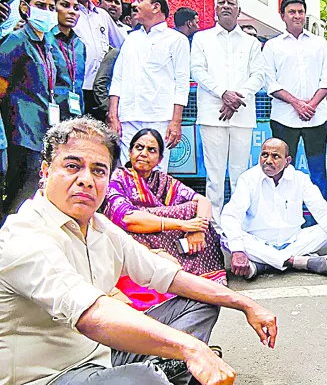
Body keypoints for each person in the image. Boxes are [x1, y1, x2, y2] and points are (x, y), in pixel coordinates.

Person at [0, 117, 277, 385]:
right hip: (53, 375)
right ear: (46, 171)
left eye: (98, 170)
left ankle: (162, 370)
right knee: (142, 379)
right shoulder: (25, 236)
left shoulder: (98, 226)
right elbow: (91, 315)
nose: (86, 180)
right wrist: (189, 347)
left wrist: (245, 304)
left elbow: (167, 275)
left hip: (102, 353)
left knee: (201, 298)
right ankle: (162, 371)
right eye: (73, 166)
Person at [103, 128, 227, 307]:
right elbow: (128, 218)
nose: (143, 154)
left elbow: (204, 201)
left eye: (151, 150)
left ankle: (195, 276)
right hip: (129, 242)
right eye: (139, 147)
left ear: (160, 159)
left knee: (196, 210)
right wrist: (183, 225)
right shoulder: (117, 179)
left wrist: (197, 231)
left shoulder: (162, 180)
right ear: (130, 152)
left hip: (163, 241)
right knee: (185, 211)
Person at [221, 137, 327, 279]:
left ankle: (262, 265)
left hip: (294, 242)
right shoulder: (248, 179)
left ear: (287, 161)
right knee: (227, 237)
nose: (268, 160)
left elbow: (323, 212)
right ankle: (297, 261)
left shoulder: (300, 179)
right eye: (265, 155)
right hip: (257, 242)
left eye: (275, 156)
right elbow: (231, 216)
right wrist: (238, 251)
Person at [191, 0, 264, 228]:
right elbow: (197, 70)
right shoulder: (202, 39)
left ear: (239, 10)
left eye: (230, 2)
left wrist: (236, 98)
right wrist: (223, 93)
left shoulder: (252, 43)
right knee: (214, 174)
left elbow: (258, 75)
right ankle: (215, 226)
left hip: (241, 115)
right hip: (212, 114)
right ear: (215, 9)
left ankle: (239, 223)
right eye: (221, 2)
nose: (225, 6)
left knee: (240, 173)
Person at [262, 0, 327, 200]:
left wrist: (310, 105)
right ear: (282, 16)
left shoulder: (320, 44)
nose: (297, 16)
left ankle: (320, 221)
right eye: (291, 12)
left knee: (318, 170)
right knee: (282, 170)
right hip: (284, 118)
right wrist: (296, 103)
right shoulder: (272, 46)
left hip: (317, 117)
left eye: (300, 12)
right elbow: (270, 82)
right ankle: (284, 214)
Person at [108, 0, 190, 172]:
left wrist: (176, 121)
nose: (134, 5)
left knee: (156, 173)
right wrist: (113, 115)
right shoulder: (131, 39)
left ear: (155, 7)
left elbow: (182, 83)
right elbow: (118, 78)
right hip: (128, 118)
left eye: (139, 0)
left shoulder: (177, 40)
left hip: (160, 118)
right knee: (126, 172)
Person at [0, 0, 57, 218]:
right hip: (20, 133)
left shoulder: (45, 43)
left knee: (32, 191)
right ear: (25, 7)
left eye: (51, 8)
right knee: (18, 195)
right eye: (40, 6)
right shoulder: (16, 40)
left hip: (41, 129)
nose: (47, 12)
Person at [70, 0, 124, 118]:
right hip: (77, 85)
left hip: (99, 88)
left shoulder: (102, 15)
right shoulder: (69, 12)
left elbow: (122, 44)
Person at [48, 0, 86, 122]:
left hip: (75, 113)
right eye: (65, 5)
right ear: (53, 8)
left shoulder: (80, 45)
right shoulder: (44, 40)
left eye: (76, 8)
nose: (72, 12)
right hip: (49, 112)